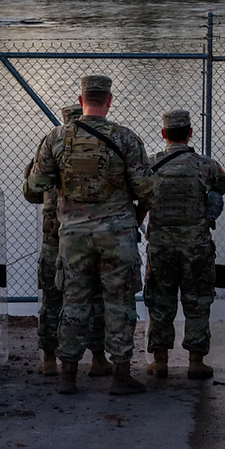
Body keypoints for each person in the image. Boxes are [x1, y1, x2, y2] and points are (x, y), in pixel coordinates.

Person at [26, 75, 154, 396]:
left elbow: (34, 189)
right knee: (119, 302)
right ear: (108, 101)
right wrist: (136, 215)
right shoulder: (126, 138)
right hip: (117, 235)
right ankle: (120, 375)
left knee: (73, 301)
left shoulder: (56, 138)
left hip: (74, 236)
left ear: (81, 99)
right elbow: (147, 189)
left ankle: (67, 374)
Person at [23, 104, 111, 379]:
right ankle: (98, 358)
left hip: (55, 238)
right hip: (90, 236)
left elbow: (32, 191)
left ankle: (50, 359)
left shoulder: (50, 146)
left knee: (52, 299)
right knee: (95, 298)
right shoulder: (104, 146)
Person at [144, 109, 225, 380]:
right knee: (197, 300)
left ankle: (160, 361)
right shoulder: (206, 165)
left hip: (161, 245)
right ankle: (195, 361)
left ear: (163, 134)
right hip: (196, 246)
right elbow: (221, 188)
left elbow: (140, 192)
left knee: (160, 301)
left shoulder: (151, 164)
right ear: (190, 133)